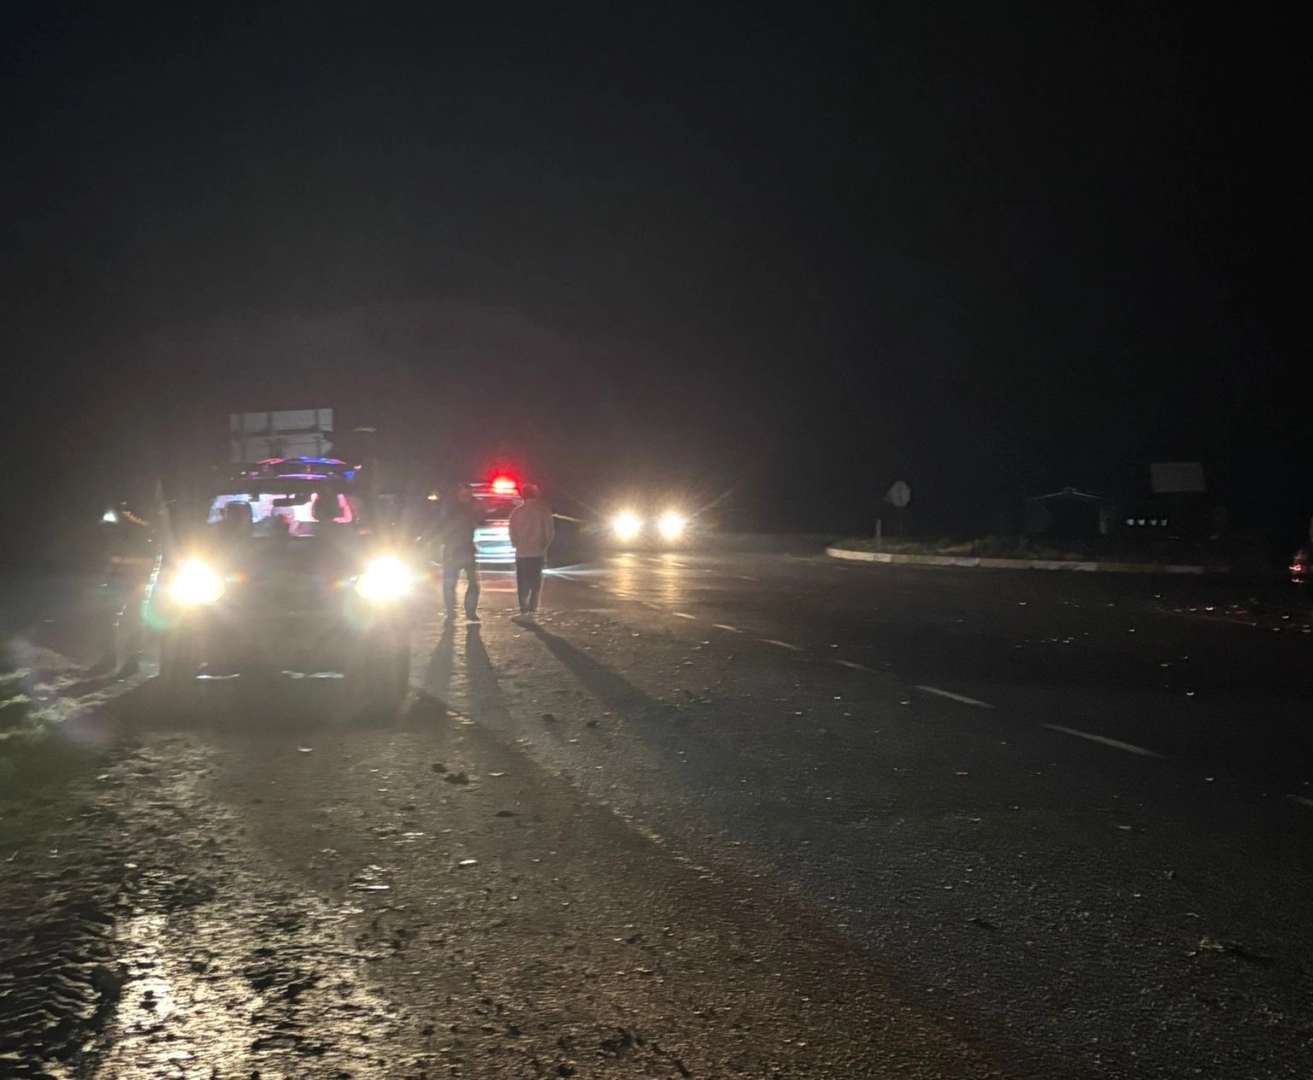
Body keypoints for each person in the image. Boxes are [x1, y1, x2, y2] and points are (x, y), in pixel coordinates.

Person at [434, 484, 486, 622]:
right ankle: (451, 612)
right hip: (453, 549)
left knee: (472, 582)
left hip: (466, 548)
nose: (467, 497)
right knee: (450, 583)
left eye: (468, 494)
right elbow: (441, 525)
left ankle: (469, 611)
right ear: (459, 494)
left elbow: (481, 520)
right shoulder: (451, 507)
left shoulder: (472, 506)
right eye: (464, 494)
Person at [508, 482, 554, 623]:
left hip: (522, 553)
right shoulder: (543, 512)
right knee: (535, 583)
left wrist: (516, 544)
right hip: (537, 553)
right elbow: (549, 532)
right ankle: (532, 612)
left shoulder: (517, 512)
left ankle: (524, 610)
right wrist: (543, 546)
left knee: (522, 583)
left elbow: (512, 532)